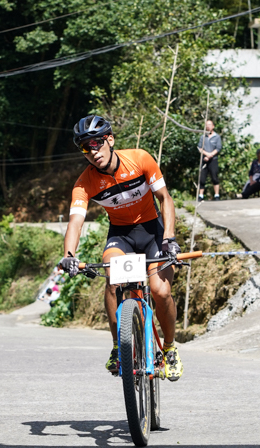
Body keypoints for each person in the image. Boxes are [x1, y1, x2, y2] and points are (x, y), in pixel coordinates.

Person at [59, 115, 184, 381]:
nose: (92, 151)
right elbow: (75, 222)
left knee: (160, 291)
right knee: (114, 282)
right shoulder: (84, 183)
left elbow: (165, 198)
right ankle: (119, 347)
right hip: (122, 236)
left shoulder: (139, 159)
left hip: (153, 232)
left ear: (110, 140)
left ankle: (170, 348)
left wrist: (169, 238)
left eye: (95, 142)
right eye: (84, 147)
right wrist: (69, 255)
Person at [197, 120, 222, 201]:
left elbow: (218, 148)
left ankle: (217, 195)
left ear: (213, 126)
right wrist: (206, 154)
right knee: (202, 178)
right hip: (204, 159)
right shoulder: (203, 137)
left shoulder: (217, 137)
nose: (208, 126)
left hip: (213, 159)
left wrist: (210, 155)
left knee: (214, 177)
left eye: (209, 125)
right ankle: (201, 195)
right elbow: (199, 148)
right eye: (206, 125)